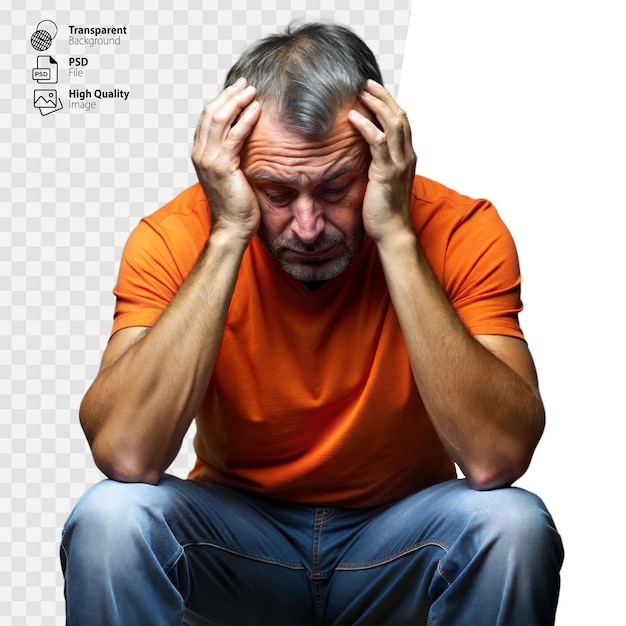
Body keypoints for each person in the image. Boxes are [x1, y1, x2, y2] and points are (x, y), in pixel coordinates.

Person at [60, 22, 563, 625]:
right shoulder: (174, 237)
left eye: (336, 186)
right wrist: (227, 235)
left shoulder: (458, 229)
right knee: (110, 519)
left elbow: (497, 458)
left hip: (400, 542)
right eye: (275, 190)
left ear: (383, 157)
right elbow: (125, 455)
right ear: (235, 168)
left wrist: (397, 234)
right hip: (236, 546)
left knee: (512, 525)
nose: (307, 225)